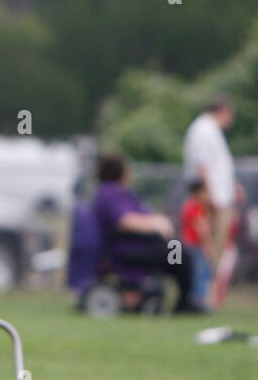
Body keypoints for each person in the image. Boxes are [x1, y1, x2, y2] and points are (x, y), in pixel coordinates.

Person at [93, 154, 200, 313]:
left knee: (179, 252)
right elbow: (125, 220)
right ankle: (182, 303)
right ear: (119, 172)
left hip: (142, 245)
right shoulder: (109, 193)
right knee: (181, 256)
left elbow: (144, 214)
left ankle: (178, 298)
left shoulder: (121, 193)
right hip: (129, 249)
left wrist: (162, 221)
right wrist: (157, 225)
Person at [183, 94, 241, 307]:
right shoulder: (204, 130)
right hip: (213, 202)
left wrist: (233, 187)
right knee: (209, 252)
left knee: (216, 251)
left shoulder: (210, 130)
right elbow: (203, 166)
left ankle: (207, 297)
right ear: (223, 111)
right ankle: (203, 297)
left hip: (218, 198)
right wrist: (208, 198)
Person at [178, 179, 212, 311]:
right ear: (198, 192)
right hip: (195, 245)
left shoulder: (186, 205)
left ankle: (191, 301)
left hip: (186, 244)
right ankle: (197, 303)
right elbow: (201, 228)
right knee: (201, 274)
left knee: (193, 273)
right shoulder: (197, 207)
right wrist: (208, 247)